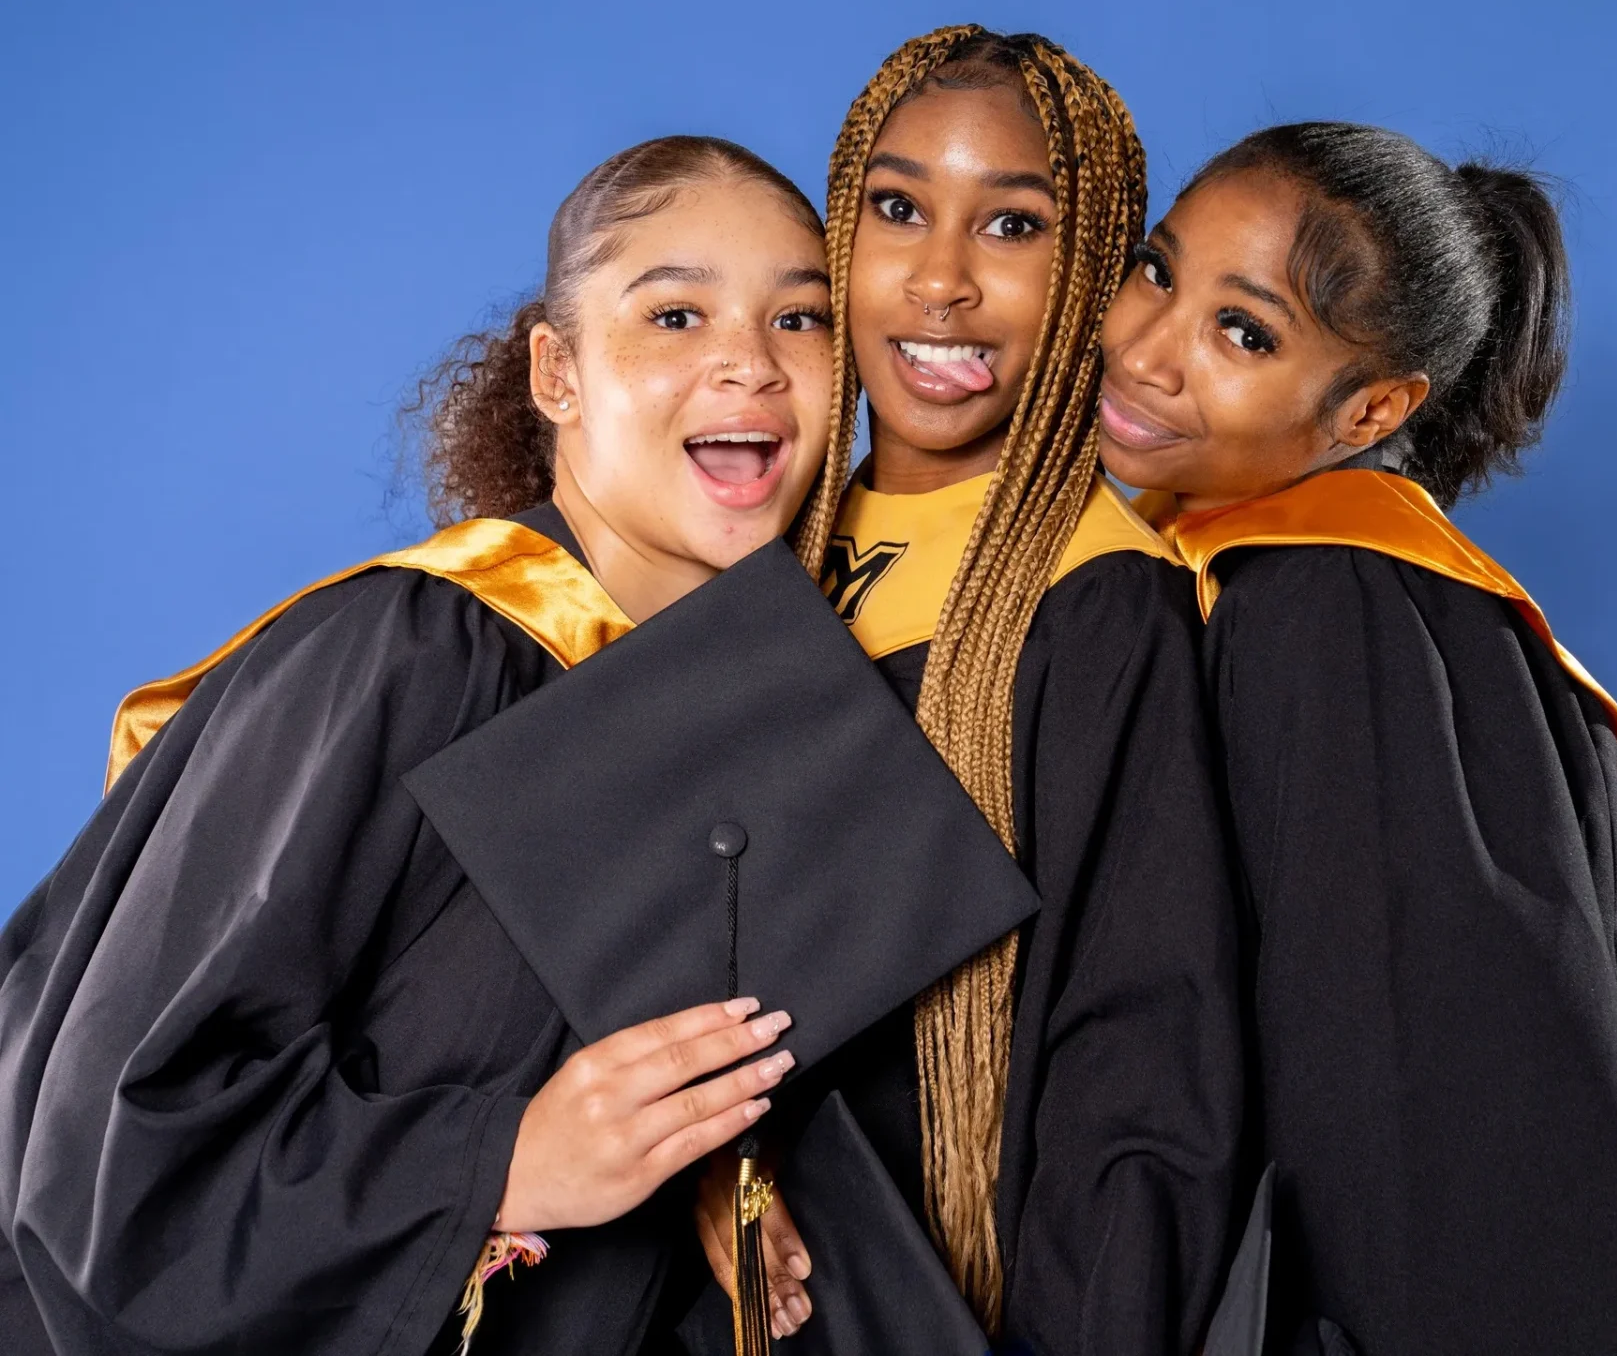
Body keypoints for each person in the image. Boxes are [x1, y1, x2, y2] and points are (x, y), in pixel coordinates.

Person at [0, 135, 1037, 1356]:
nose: (750, 364)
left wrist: (705, 1172)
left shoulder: (762, 733)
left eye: (800, 319)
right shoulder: (417, 646)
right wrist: (507, 1164)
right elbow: (108, 1149)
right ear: (558, 372)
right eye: (675, 313)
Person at [1097, 121, 1617, 1354]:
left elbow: (1449, 1124)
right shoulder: (1242, 575)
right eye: (1158, 271)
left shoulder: (1338, 608)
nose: (1149, 350)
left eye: (1243, 331)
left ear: (1369, 406)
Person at [695, 27, 1244, 1356]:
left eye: (1011, 226)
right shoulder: (750, 555)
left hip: (946, 1308)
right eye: (897, 209)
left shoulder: (1100, 599)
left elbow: (1143, 1080)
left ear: (1095, 281)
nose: (938, 281)